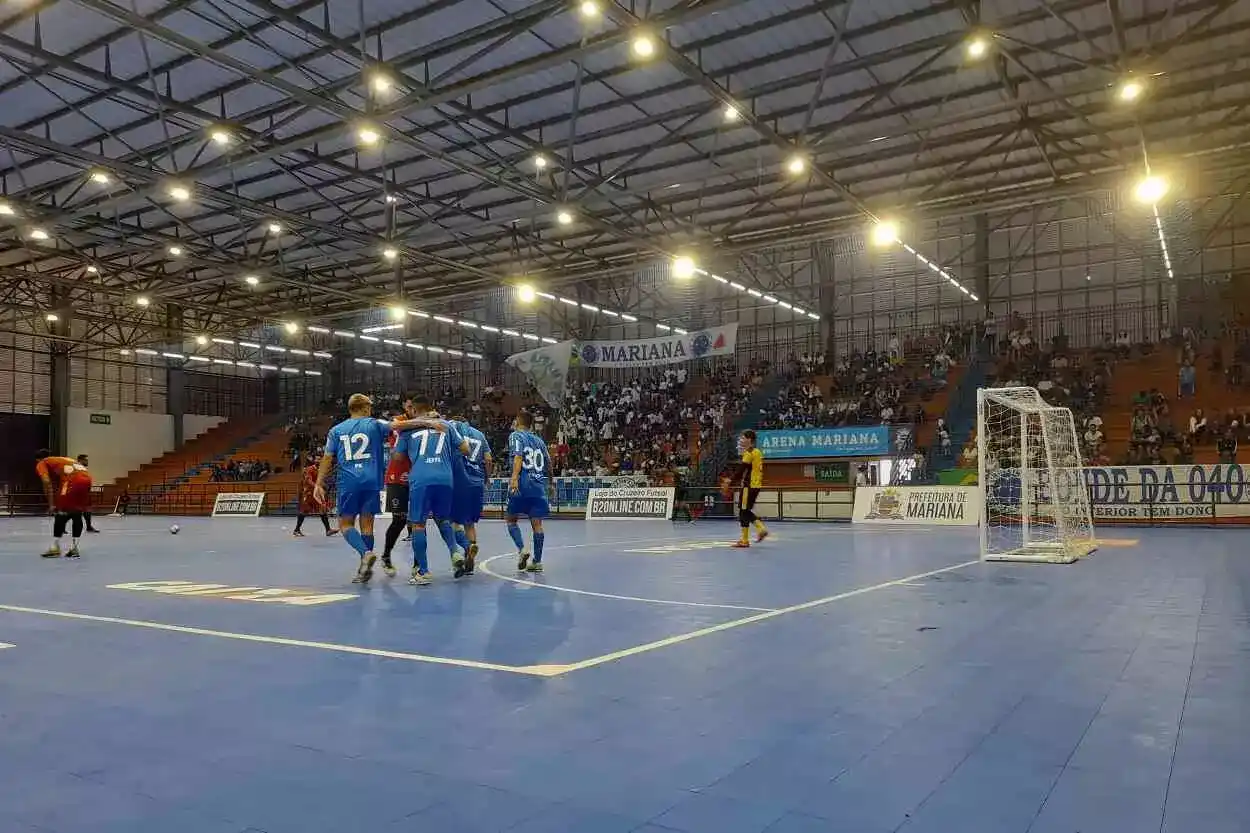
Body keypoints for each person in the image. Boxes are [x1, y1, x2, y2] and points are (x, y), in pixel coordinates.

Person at [314, 394, 430, 584]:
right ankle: (363, 568)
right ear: (365, 407)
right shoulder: (375, 424)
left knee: (345, 524)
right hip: (371, 480)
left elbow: (327, 458)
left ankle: (365, 555)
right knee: (367, 525)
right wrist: (427, 421)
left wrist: (319, 483)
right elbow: (398, 426)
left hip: (349, 481)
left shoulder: (336, 430)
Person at [393, 396, 470, 586]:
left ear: (414, 411)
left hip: (421, 478)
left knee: (418, 524)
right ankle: (455, 552)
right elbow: (466, 449)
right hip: (445, 477)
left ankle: (424, 571)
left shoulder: (408, 430)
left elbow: (397, 457)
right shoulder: (445, 425)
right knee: (443, 519)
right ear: (431, 407)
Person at [506, 410, 551, 572]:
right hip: (539, 486)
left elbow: (518, 456)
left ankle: (522, 549)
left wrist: (514, 478)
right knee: (537, 524)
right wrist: (551, 484)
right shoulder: (539, 441)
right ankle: (537, 561)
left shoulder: (516, 436)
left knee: (511, 520)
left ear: (518, 421)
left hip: (522, 483)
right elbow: (549, 462)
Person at [449, 412, 492, 575]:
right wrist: (487, 478)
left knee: (451, 521)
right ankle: (470, 555)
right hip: (477, 481)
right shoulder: (479, 434)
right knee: (470, 523)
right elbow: (488, 459)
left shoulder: (454, 429)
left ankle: (464, 551)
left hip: (459, 480)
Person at [380, 397, 419, 577]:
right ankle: (386, 556)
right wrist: (426, 421)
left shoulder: (426, 422)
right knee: (399, 520)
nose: (413, 409)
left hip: (418, 476)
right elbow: (394, 425)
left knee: (419, 522)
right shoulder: (400, 421)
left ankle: (419, 564)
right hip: (397, 476)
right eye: (409, 406)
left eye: (415, 407)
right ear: (405, 406)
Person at [34, 450, 92, 558]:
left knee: (61, 513)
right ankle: (74, 548)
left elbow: (46, 482)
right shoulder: (62, 460)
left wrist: (51, 504)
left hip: (73, 481)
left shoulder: (42, 463)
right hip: (87, 479)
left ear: (38, 459)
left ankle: (55, 548)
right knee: (76, 513)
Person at [730, 429, 768, 548]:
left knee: (743, 511)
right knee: (745, 511)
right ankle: (759, 529)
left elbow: (741, 470)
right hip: (756, 486)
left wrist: (730, 481)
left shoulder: (749, 453)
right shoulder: (758, 452)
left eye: (743, 438)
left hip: (748, 486)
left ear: (749, 440)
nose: (741, 440)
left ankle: (747, 538)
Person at [294, 460, 337, 538]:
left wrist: (324, 486)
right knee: (304, 511)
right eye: (318, 460)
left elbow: (319, 481)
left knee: (322, 509)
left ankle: (328, 530)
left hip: (316, 494)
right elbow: (308, 480)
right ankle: (296, 530)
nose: (320, 461)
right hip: (309, 493)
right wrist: (317, 487)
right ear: (315, 462)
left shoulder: (320, 470)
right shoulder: (309, 469)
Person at [75, 454, 101, 533]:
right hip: (78, 491)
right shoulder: (76, 468)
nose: (87, 461)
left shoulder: (83, 469)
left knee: (87, 509)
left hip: (85, 491)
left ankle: (88, 527)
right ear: (81, 460)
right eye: (86, 460)